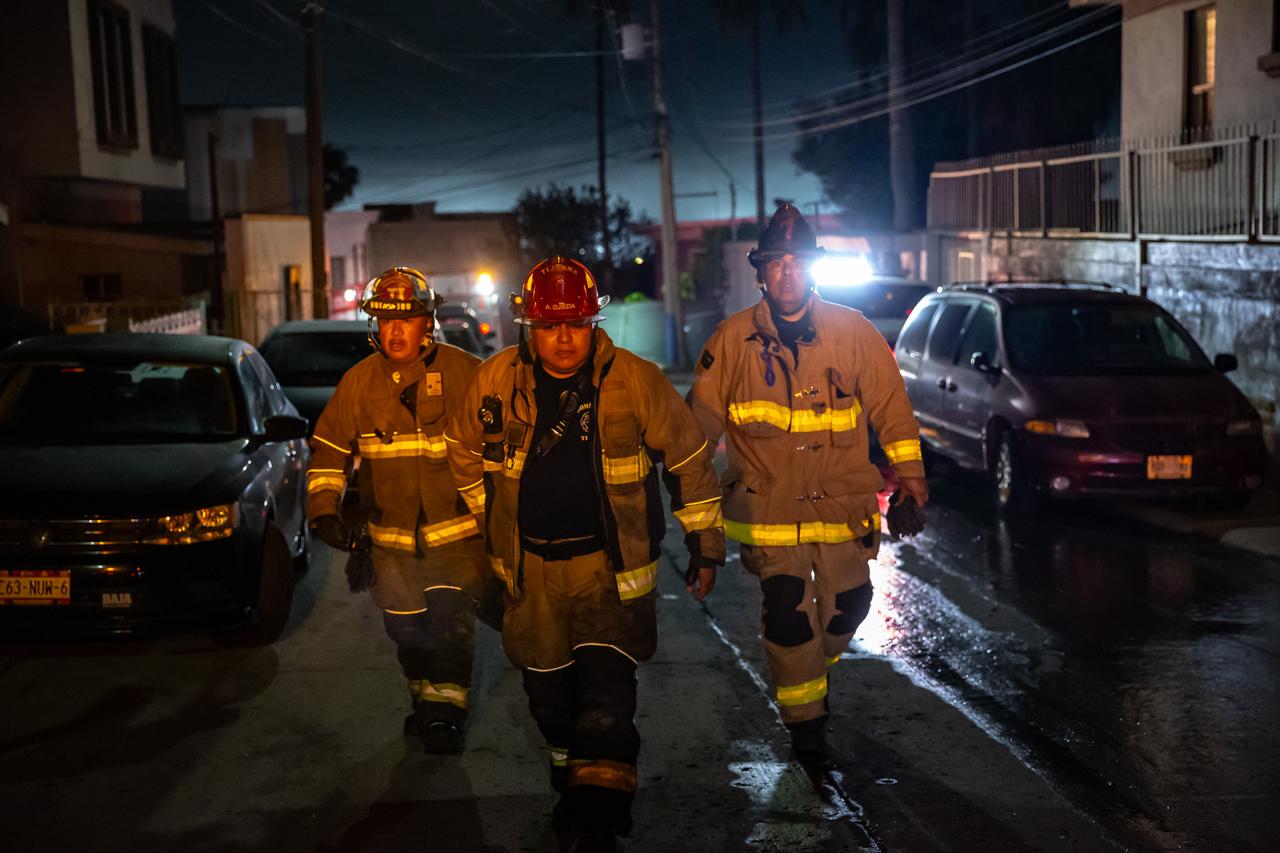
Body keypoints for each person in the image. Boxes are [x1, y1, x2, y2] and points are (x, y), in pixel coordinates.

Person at [446, 257, 724, 852]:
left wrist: (705, 545)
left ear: (595, 322)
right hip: (530, 576)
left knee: (606, 701)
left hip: (607, 573)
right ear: (529, 327)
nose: (564, 338)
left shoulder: (636, 380)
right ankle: (574, 781)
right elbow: (463, 451)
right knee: (551, 702)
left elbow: (688, 458)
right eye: (550, 326)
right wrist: (489, 522)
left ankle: (598, 821)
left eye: (576, 323)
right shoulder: (495, 381)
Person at [687, 204, 928, 767]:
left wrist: (912, 478)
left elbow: (892, 409)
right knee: (789, 615)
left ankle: (812, 677)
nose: (788, 272)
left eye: (797, 261)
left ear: (812, 268)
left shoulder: (854, 332)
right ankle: (807, 729)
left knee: (850, 607)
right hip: (768, 512)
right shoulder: (731, 340)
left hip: (842, 506)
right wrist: (697, 525)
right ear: (762, 272)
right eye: (777, 262)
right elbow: (696, 434)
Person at [306, 266, 486, 755]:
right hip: (390, 546)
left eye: (406, 319)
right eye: (387, 321)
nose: (396, 331)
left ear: (428, 322)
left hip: (456, 539)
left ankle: (444, 716)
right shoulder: (358, 383)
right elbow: (328, 452)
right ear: (375, 326)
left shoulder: (466, 373)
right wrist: (324, 510)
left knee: (448, 631)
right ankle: (426, 701)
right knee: (407, 632)